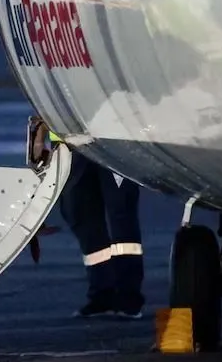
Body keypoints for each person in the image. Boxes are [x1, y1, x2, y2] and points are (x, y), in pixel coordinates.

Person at [36, 122, 144, 319]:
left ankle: (128, 298)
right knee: (81, 216)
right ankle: (102, 294)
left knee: (121, 219)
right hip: (71, 144)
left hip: (115, 143)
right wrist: (40, 132)